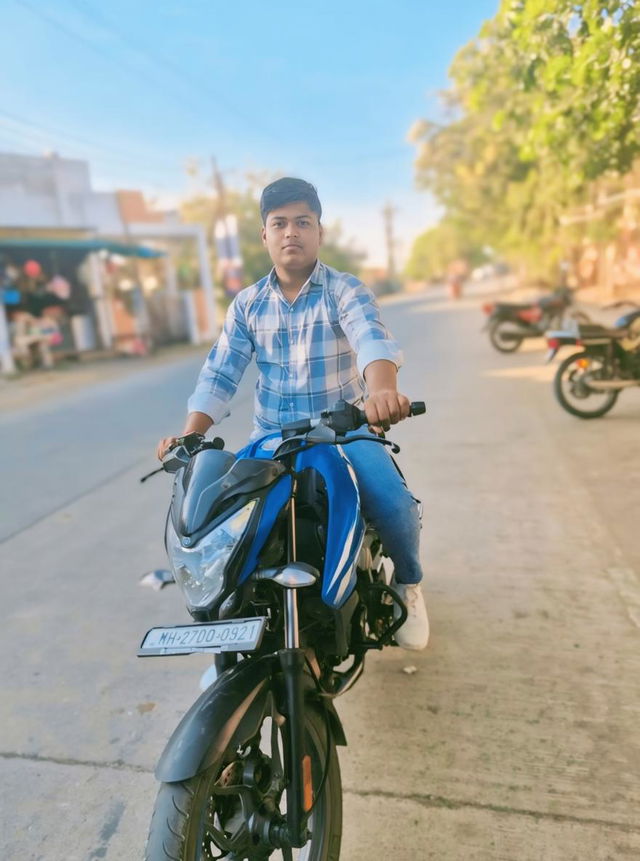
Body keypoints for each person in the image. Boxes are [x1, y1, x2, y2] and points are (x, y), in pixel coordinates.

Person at [157, 178, 429, 650]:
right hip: (270, 440)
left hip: (343, 431)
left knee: (394, 503)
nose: (291, 232)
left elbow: (371, 339)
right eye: (279, 223)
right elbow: (221, 373)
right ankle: (233, 646)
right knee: (226, 527)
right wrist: (190, 435)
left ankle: (409, 584)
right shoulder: (247, 304)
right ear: (264, 235)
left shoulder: (345, 290)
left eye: (302, 222)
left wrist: (382, 390)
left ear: (319, 232)